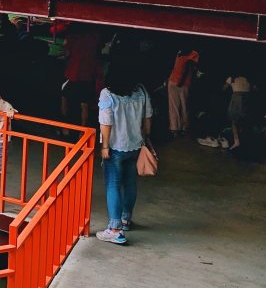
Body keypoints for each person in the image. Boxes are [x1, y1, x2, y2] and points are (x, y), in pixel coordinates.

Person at [96, 57, 153, 245]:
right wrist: (146, 137)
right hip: (135, 145)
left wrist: (104, 146)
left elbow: (106, 122)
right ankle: (126, 219)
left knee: (113, 184)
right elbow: (148, 117)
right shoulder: (141, 91)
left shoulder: (107, 94)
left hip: (114, 147)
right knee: (130, 184)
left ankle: (114, 229)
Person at [56, 22, 103, 127]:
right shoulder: (95, 37)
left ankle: (65, 128)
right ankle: (82, 132)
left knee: (64, 99)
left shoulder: (72, 37)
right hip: (88, 76)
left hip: (73, 75)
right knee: (84, 105)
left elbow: (66, 51)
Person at [166, 48, 199, 136]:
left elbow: (189, 68)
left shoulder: (191, 53)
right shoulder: (182, 52)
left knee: (179, 106)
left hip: (181, 82)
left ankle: (178, 128)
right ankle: (177, 128)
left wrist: (181, 81)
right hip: (176, 82)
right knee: (180, 106)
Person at [224, 72, 252, 151]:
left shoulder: (233, 77)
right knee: (243, 120)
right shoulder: (248, 78)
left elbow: (224, 88)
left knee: (234, 120)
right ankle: (243, 140)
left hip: (237, 97)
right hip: (247, 97)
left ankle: (237, 141)